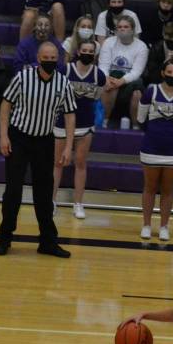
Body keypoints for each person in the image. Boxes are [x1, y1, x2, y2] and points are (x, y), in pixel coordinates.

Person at [0, 42, 76, 259]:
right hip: (19, 138)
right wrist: (3, 136)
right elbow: (5, 104)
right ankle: (5, 238)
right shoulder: (23, 78)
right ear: (38, 58)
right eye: (46, 58)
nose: (50, 61)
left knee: (44, 193)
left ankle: (47, 242)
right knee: (13, 191)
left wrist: (68, 146)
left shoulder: (63, 83)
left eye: (53, 58)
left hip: (45, 141)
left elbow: (70, 115)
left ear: (58, 59)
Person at [136, 60, 173, 241]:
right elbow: (140, 119)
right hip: (151, 147)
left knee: (168, 190)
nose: (172, 75)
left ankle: (164, 226)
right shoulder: (151, 91)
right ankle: (146, 225)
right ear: (162, 73)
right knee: (150, 187)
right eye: (169, 72)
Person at [53, 40, 106, 220]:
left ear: (95, 54)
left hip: (85, 124)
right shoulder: (65, 70)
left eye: (91, 51)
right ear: (78, 51)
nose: (87, 53)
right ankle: (51, 201)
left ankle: (78, 203)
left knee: (81, 163)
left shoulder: (99, 75)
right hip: (62, 122)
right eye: (85, 50)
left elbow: (97, 97)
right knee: (58, 163)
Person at [98, 15, 148, 128]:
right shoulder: (108, 42)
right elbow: (103, 65)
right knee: (109, 84)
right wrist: (106, 78)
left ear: (132, 29)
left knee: (137, 93)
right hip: (111, 79)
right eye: (119, 27)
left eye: (126, 27)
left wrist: (121, 81)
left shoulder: (141, 46)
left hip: (130, 82)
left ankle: (136, 127)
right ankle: (103, 122)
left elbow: (137, 72)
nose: (122, 29)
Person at [144, 21, 173, 88]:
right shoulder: (156, 49)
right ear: (163, 35)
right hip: (157, 83)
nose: (172, 40)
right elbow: (152, 74)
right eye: (170, 36)